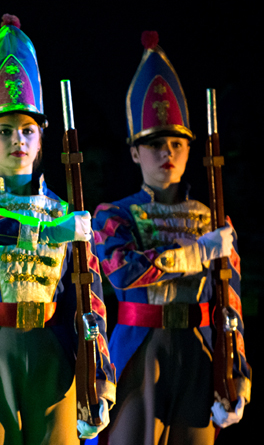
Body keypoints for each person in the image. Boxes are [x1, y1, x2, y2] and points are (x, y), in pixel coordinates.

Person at [0, 14, 116, 445]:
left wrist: (101, 382)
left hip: (53, 359)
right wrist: (47, 233)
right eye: (5, 131)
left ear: (40, 139)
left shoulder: (66, 214)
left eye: (28, 131)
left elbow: (89, 301)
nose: (18, 140)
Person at [92, 31, 251, 444]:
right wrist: (198, 252)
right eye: (155, 144)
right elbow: (124, 273)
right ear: (134, 152)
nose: (167, 153)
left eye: (177, 143)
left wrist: (238, 375)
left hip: (199, 352)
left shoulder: (214, 221)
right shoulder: (113, 216)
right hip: (139, 349)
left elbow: (230, 304)